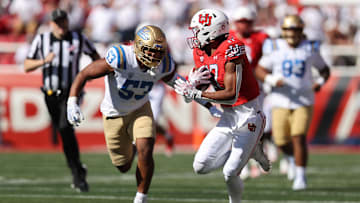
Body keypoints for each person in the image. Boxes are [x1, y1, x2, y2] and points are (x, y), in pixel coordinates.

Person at [66, 25, 221, 203]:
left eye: (158, 52)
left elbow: (183, 87)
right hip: (114, 113)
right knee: (123, 166)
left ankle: (141, 197)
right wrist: (72, 101)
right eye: (150, 51)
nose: (155, 56)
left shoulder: (164, 64)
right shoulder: (121, 57)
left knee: (146, 150)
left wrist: (208, 105)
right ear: (138, 47)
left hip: (141, 108)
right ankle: (130, 149)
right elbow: (84, 74)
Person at [174, 9, 271, 203]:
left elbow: (230, 95)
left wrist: (197, 93)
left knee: (230, 172)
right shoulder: (200, 50)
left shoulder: (232, 48)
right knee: (200, 166)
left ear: (211, 31)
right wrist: (191, 87)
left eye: (197, 30)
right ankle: (251, 150)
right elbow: (201, 85)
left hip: (249, 114)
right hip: (229, 117)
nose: (194, 35)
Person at [24, 9, 100, 192]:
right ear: (51, 24)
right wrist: (43, 62)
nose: (60, 26)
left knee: (66, 128)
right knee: (63, 131)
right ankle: (77, 169)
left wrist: (89, 75)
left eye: (63, 21)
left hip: (71, 92)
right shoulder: (42, 40)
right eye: (57, 22)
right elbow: (27, 65)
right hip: (50, 93)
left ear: (67, 21)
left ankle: (76, 173)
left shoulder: (78, 39)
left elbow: (96, 57)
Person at [255, 15, 330, 190]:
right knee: (280, 141)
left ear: (301, 31)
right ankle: (291, 158)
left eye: (295, 30)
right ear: (284, 31)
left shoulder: (310, 48)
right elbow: (260, 70)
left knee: (299, 136)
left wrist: (319, 82)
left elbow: (324, 70)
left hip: (304, 100)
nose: (292, 34)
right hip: (280, 99)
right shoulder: (275, 48)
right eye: (289, 30)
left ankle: (301, 176)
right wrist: (272, 79)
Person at [230, 5, 277, 179]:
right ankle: (246, 163)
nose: (244, 25)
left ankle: (262, 150)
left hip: (256, 85)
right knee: (239, 127)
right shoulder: (228, 38)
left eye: (247, 22)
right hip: (235, 87)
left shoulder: (261, 37)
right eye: (241, 21)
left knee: (258, 124)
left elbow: (272, 57)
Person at [148, 82, 174, 156]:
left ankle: (142, 147)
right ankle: (168, 135)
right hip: (145, 84)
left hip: (157, 86)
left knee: (152, 120)